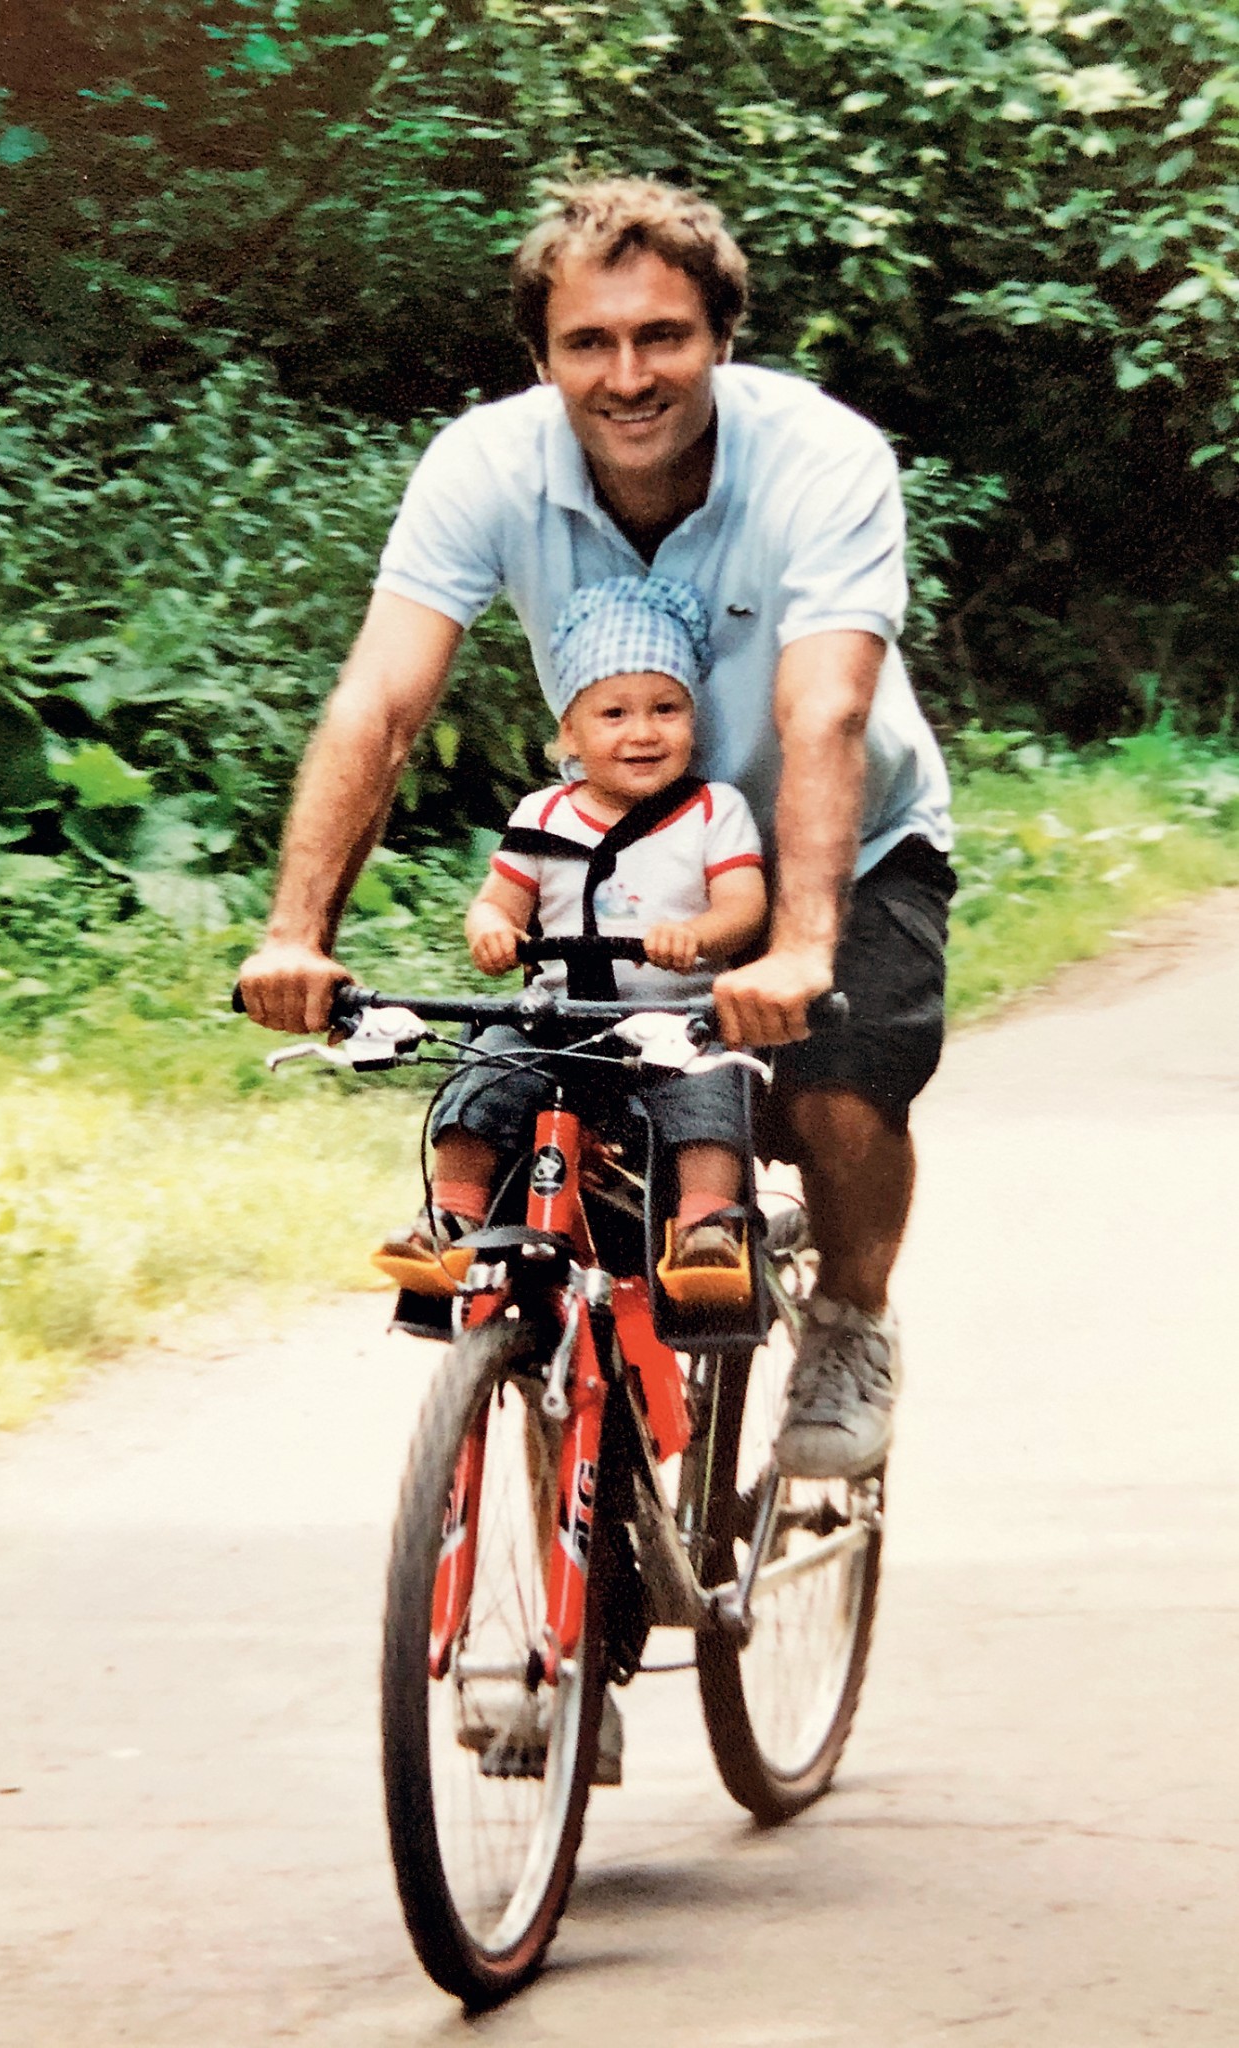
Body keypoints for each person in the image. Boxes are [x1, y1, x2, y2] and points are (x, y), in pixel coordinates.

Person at [238, 175, 957, 1483]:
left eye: (663, 335)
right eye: (590, 342)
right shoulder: (485, 466)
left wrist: (797, 948)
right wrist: (297, 935)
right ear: (543, 357)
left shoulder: (822, 457)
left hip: (841, 838)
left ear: (722, 337)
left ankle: (851, 1322)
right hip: (626, 854)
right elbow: (382, 701)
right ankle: (585, 1401)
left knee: (835, 1091)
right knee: (553, 1097)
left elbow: (826, 707)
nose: (628, 376)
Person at [378, 572, 768, 1280]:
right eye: (614, 713)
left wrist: (698, 937)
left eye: (666, 709)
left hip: (676, 1018)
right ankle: (450, 1216)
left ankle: (706, 1228)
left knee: (709, 1088)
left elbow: (744, 906)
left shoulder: (715, 809)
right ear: (570, 730)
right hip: (557, 1019)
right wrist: (492, 930)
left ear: (693, 718)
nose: (643, 731)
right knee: (487, 1068)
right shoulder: (542, 815)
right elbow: (496, 903)